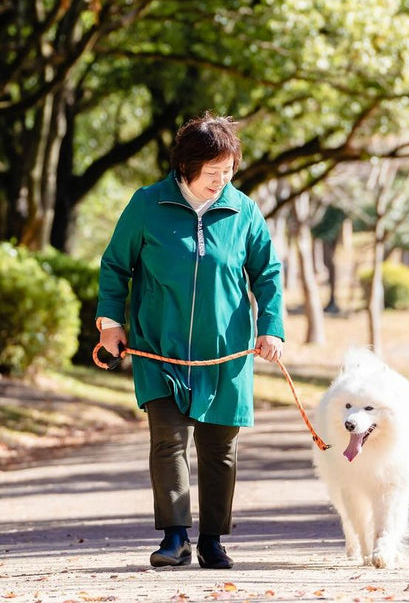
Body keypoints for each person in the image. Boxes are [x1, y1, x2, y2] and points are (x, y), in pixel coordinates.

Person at [96, 113, 284, 570]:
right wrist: (110, 324)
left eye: (228, 172)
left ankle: (213, 540)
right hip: (159, 346)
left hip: (226, 351)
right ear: (185, 167)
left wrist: (271, 327)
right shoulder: (147, 205)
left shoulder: (244, 211)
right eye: (212, 173)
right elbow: (115, 266)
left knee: (221, 447)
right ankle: (175, 537)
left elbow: (267, 273)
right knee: (168, 441)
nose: (221, 182)